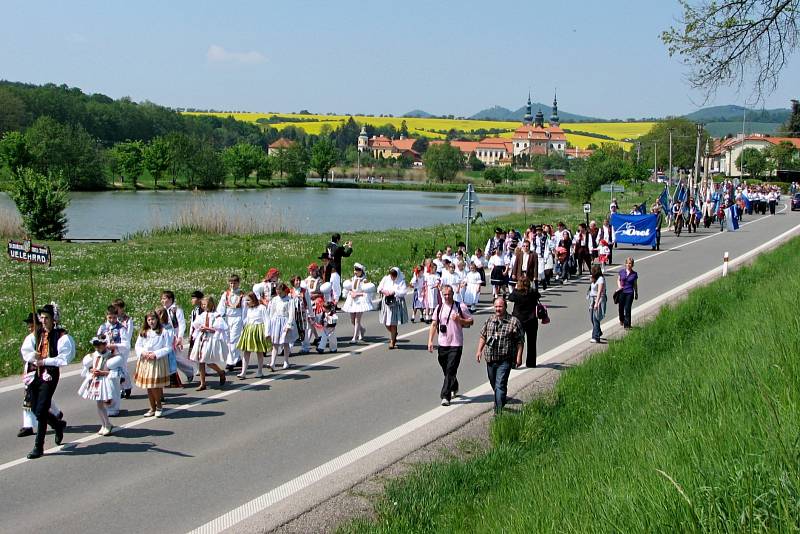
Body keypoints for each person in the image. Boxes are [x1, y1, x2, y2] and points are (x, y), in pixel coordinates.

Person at [22, 305, 75, 459]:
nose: (43, 321)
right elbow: (26, 350)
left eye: (47, 318)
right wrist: (34, 355)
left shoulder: (60, 336)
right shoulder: (37, 334)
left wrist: (45, 361)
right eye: (42, 318)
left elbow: (63, 358)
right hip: (35, 373)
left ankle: (39, 446)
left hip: (49, 374)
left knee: (42, 409)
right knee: (33, 407)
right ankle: (58, 425)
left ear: (53, 320)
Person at [475, 298, 524, 414]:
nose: (498, 309)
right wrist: (479, 351)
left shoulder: (513, 322)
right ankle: (501, 399)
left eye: (500, 307)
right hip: (490, 359)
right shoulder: (490, 320)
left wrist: (519, 357)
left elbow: (520, 341)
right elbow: (483, 336)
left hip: (505, 360)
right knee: (495, 384)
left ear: (505, 307)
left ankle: (498, 411)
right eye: (496, 307)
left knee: (500, 385)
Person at [18, 313, 63, 439]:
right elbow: (26, 353)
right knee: (35, 400)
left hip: (46, 371)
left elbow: (54, 352)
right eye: (29, 326)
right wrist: (33, 355)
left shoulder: (46, 336)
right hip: (33, 371)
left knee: (40, 401)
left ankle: (35, 429)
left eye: (33, 326)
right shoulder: (30, 338)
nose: (31, 329)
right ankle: (56, 417)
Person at [427, 285, 473, 406]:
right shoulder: (439, 308)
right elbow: (433, 324)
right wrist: (430, 341)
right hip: (443, 343)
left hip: (456, 343)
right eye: (445, 295)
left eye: (449, 294)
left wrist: (460, 320)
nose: (447, 297)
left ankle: (445, 396)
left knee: (451, 368)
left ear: (453, 294)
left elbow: (470, 321)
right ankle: (454, 384)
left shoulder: (460, 306)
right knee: (446, 368)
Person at [78, 335, 123, 436]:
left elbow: (116, 373)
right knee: (99, 404)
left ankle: (107, 424)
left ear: (105, 345)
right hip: (97, 380)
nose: (97, 348)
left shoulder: (111, 357)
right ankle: (104, 424)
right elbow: (87, 367)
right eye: (96, 346)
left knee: (104, 403)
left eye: (99, 345)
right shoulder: (93, 356)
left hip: (105, 382)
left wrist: (102, 372)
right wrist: (91, 370)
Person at [134, 311, 171, 418]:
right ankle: (152, 407)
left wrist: (156, 354)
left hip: (156, 360)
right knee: (148, 386)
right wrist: (143, 352)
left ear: (157, 320)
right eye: (149, 320)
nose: (151, 322)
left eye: (153, 319)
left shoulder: (163, 332)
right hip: (145, 360)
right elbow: (138, 346)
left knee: (154, 385)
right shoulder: (144, 332)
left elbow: (168, 347)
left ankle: (159, 406)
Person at [96, 305, 130, 417]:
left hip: (116, 356)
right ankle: (108, 404)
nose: (112, 320)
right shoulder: (102, 328)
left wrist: (114, 345)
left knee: (114, 381)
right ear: (106, 316)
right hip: (105, 355)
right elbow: (97, 340)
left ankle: (115, 407)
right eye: (110, 318)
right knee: (106, 382)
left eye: (114, 318)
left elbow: (126, 344)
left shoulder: (121, 328)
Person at [189, 296, 228, 391]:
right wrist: (199, 328)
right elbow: (196, 324)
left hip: (210, 339)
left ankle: (220, 372)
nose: (203, 306)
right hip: (202, 338)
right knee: (200, 360)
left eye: (205, 304)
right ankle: (203, 383)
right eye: (202, 305)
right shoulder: (202, 315)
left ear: (210, 304)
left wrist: (208, 328)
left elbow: (220, 328)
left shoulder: (216, 315)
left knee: (207, 360)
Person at [161, 290, 194, 385]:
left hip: (174, 336)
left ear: (170, 299)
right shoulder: (163, 310)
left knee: (177, 357)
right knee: (167, 357)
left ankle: (189, 370)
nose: (163, 301)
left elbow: (181, 324)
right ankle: (171, 378)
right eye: (162, 299)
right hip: (165, 336)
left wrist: (180, 337)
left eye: (164, 298)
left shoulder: (176, 310)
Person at [506, 278, 541, 368]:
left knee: (516, 341)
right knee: (532, 342)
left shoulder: (517, 293)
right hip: (531, 319)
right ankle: (531, 362)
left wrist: (515, 289)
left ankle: (514, 361)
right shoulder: (532, 292)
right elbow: (539, 296)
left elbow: (510, 298)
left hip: (518, 320)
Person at [236, 291, 271, 379]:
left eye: (248, 300)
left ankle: (259, 371)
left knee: (259, 352)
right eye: (246, 301)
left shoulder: (261, 308)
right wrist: (243, 331)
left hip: (258, 330)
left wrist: (267, 333)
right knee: (246, 351)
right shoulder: (248, 309)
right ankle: (243, 372)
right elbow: (246, 320)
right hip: (249, 330)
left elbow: (267, 320)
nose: (246, 302)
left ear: (253, 299)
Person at [267, 283, 298, 370]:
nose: (279, 294)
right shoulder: (275, 300)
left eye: (280, 292)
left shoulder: (289, 300)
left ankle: (286, 361)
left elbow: (291, 314)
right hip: (276, 322)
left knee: (285, 342)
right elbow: (272, 312)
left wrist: (289, 325)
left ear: (284, 291)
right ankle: (272, 363)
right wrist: (270, 323)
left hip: (285, 321)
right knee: (275, 343)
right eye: (277, 292)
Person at [341, 262, 375, 342]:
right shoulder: (352, 279)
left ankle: (354, 338)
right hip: (352, 301)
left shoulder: (364, 280)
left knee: (357, 320)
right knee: (352, 320)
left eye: (358, 270)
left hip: (360, 301)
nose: (356, 271)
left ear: (362, 271)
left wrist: (357, 294)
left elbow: (366, 292)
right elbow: (349, 289)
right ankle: (362, 330)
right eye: (355, 269)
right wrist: (351, 293)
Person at [218, 274, 245, 370]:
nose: (233, 285)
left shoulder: (242, 295)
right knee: (228, 340)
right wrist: (218, 317)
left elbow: (244, 309)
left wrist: (244, 321)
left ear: (238, 283)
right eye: (231, 283)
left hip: (237, 318)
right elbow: (221, 308)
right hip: (228, 318)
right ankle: (237, 359)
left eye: (235, 283)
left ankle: (230, 362)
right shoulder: (226, 294)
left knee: (234, 339)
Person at [377, 267, 408, 349]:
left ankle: (392, 341)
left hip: (396, 303)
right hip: (386, 302)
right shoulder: (386, 279)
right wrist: (383, 291)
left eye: (394, 275)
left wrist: (394, 292)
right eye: (391, 275)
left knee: (393, 323)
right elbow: (379, 288)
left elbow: (404, 292)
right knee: (386, 322)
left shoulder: (401, 281)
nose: (392, 277)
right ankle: (394, 334)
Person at [112, 298, 134, 399]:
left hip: (123, 347)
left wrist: (123, 345)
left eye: (117, 308)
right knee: (117, 368)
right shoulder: (114, 319)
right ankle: (122, 388)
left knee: (122, 367)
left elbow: (128, 334)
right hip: (114, 346)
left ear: (122, 308)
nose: (116, 310)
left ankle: (127, 386)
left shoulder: (127, 320)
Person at [617, 257, 638, 330]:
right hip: (622, 292)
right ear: (625, 264)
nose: (628, 265)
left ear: (632, 265)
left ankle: (627, 325)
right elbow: (618, 280)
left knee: (627, 308)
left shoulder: (634, 274)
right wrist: (619, 286)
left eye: (630, 263)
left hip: (630, 292)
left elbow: (635, 284)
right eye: (627, 263)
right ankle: (621, 319)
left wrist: (636, 293)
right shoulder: (621, 271)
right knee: (620, 308)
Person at [588, 265, 607, 343]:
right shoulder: (594, 278)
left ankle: (595, 337)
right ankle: (598, 331)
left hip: (599, 299)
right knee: (592, 318)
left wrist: (597, 303)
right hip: (592, 299)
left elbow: (599, 292)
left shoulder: (601, 279)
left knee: (596, 318)